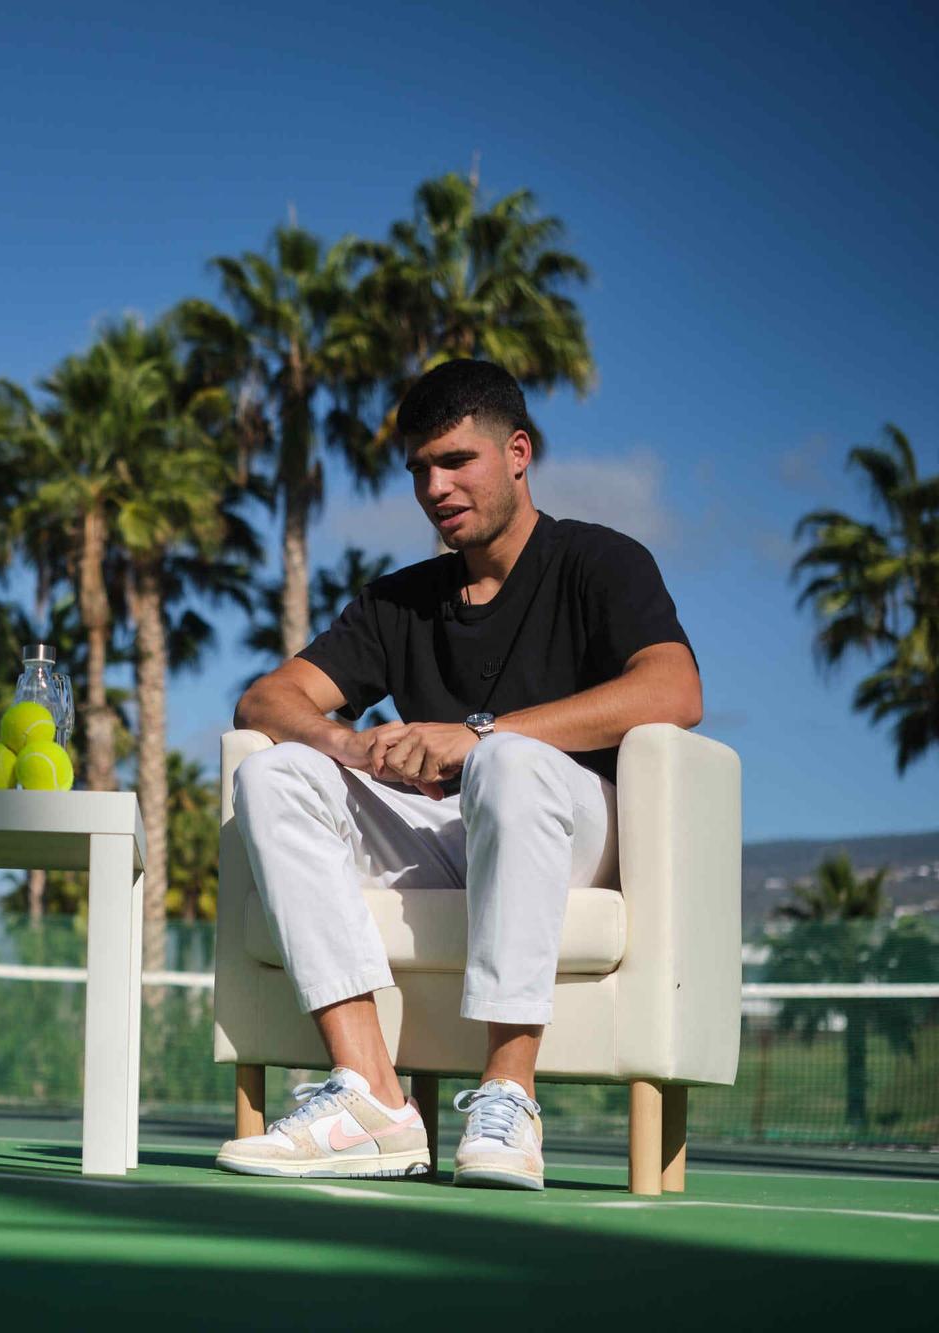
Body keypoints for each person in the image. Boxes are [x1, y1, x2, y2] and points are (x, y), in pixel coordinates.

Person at [220, 360, 701, 1189]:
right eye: (419, 470)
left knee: (509, 763)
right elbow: (265, 698)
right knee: (274, 776)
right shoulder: (399, 601)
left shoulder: (599, 560)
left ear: (517, 453)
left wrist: (477, 735)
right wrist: (350, 744)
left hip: (574, 830)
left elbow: (675, 688)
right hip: (444, 835)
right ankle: (373, 1099)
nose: (435, 487)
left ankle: (508, 1093)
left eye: (455, 462)